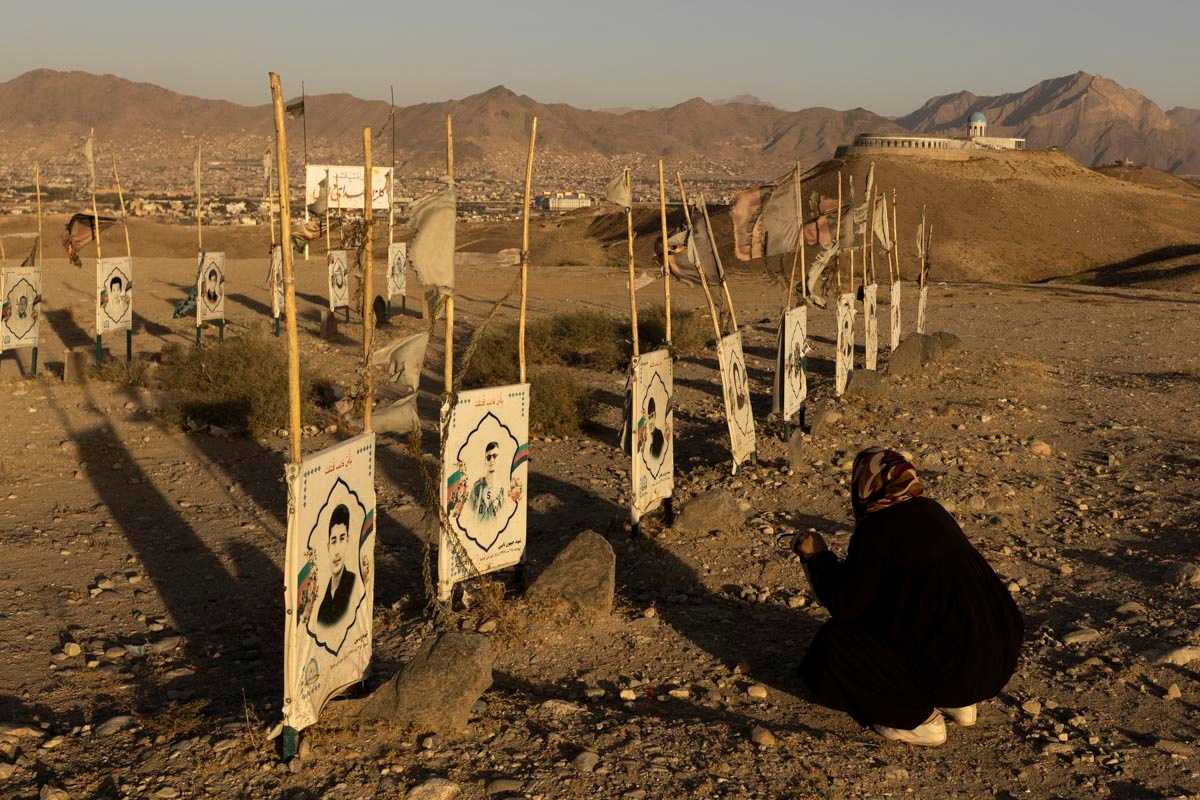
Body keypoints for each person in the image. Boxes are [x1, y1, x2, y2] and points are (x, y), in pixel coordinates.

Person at [794, 447, 1023, 746]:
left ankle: (920, 721)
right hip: (998, 662)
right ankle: (960, 704)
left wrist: (818, 557)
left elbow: (844, 606)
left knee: (833, 646)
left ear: (864, 486)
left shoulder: (876, 530)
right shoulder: (932, 511)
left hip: (958, 673)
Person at [317, 504, 356, 627]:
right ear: (328, 546)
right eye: (334, 541)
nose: (337, 551)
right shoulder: (323, 594)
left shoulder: (354, 583)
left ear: (348, 540)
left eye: (342, 539)